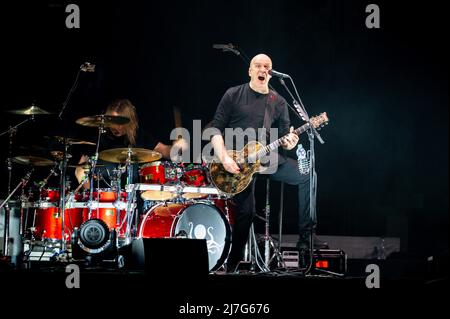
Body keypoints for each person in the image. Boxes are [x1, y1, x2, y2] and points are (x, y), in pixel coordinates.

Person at [210, 53, 325, 272]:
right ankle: (232, 264)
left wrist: (291, 142)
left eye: (267, 67)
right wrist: (224, 158)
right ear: (250, 71)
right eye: (258, 66)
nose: (263, 69)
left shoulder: (278, 101)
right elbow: (215, 128)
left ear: (271, 73)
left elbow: (285, 137)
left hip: (266, 157)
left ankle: (304, 240)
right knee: (246, 212)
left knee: (308, 175)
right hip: (238, 162)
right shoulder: (234, 94)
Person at [75, 98, 186, 188]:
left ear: (130, 120)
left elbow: (165, 151)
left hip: (132, 198)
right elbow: (80, 170)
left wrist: (176, 147)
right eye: (113, 122)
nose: (116, 127)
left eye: (121, 122)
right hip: (102, 201)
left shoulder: (139, 136)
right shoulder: (99, 138)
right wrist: (90, 194)